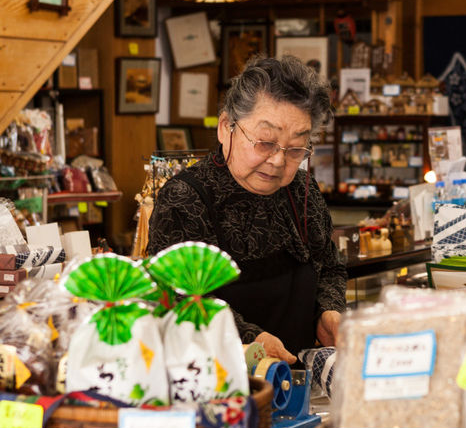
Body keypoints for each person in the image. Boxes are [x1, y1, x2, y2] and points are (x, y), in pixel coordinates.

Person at [147, 55, 346, 364]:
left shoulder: (302, 189)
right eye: (265, 142)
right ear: (227, 126)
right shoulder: (186, 197)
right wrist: (250, 339)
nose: (279, 161)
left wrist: (328, 311)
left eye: (295, 150)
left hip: (299, 378)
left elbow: (329, 267)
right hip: (222, 381)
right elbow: (176, 299)